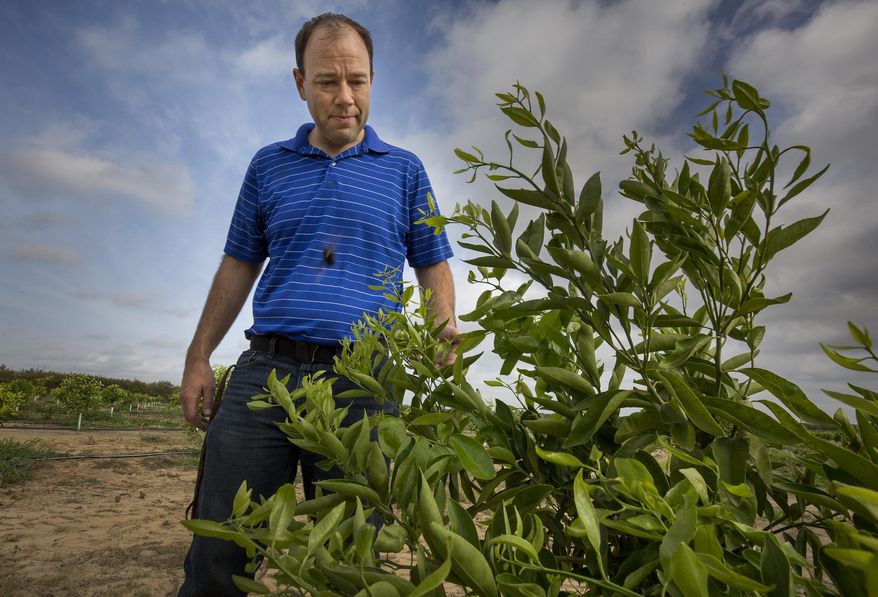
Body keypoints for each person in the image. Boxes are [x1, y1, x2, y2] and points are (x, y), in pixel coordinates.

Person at [177, 12, 458, 596]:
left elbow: (433, 263)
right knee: (218, 552)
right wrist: (198, 354)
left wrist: (444, 332)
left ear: (373, 80)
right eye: (328, 81)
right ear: (299, 82)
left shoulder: (406, 170)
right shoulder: (267, 164)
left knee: (353, 561)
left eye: (358, 80)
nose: (345, 97)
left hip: (365, 382)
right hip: (265, 377)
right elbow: (238, 264)